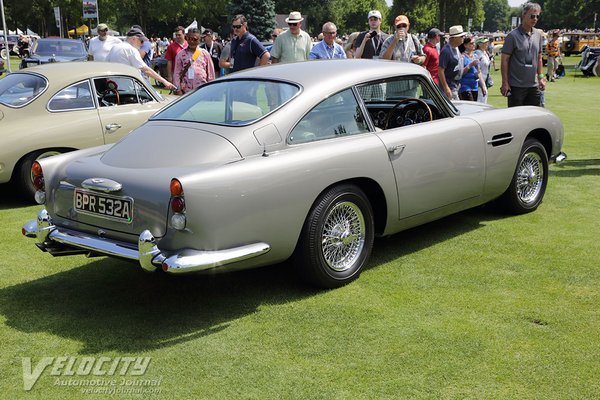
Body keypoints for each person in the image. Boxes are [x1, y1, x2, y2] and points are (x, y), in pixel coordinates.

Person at [500, 2, 546, 107]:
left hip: (533, 86)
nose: (535, 19)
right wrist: (505, 83)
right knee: (516, 119)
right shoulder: (512, 36)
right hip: (516, 87)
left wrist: (541, 77)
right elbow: (504, 60)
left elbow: (539, 57)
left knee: (533, 118)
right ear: (524, 15)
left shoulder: (538, 35)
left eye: (537, 16)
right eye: (532, 16)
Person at [106, 27, 176, 90]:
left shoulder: (114, 47)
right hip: (129, 90)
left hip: (114, 88)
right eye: (141, 41)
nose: (142, 44)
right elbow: (146, 70)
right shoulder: (131, 50)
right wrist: (164, 81)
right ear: (133, 39)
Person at [173, 28, 214, 95]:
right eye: (189, 38)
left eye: (195, 39)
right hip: (186, 91)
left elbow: (210, 74)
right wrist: (178, 89)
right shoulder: (180, 55)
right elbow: (177, 73)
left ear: (199, 39)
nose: (192, 41)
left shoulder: (205, 54)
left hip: (202, 90)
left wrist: (211, 89)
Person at [439, 25, 466, 100]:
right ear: (454, 38)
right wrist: (446, 87)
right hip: (449, 87)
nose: (463, 38)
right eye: (461, 36)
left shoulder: (457, 48)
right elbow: (440, 70)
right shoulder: (446, 51)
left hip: (455, 85)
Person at [458, 36, 486, 101]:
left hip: (475, 86)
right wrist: (470, 65)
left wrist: (483, 86)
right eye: (471, 43)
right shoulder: (462, 57)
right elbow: (461, 73)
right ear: (465, 45)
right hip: (465, 87)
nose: (473, 45)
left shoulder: (475, 56)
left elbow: (479, 72)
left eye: (474, 43)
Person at [474, 36, 492, 103]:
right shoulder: (477, 53)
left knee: (484, 98)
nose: (486, 44)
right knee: (480, 99)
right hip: (479, 80)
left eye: (487, 42)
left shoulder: (485, 53)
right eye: (484, 43)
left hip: (485, 79)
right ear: (479, 44)